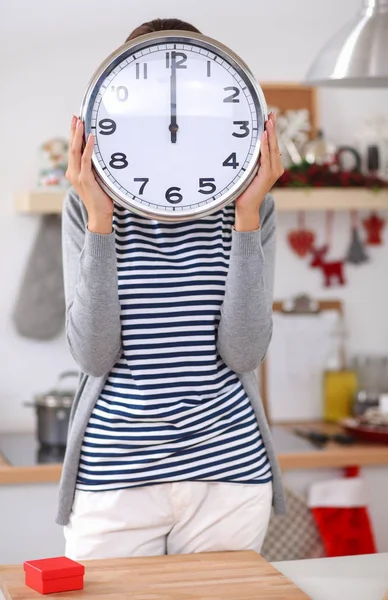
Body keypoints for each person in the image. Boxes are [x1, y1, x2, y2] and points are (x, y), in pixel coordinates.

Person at [58, 17, 286, 560]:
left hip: (230, 476)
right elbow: (93, 354)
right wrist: (99, 221)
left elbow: (245, 351)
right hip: (115, 477)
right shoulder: (86, 208)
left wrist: (248, 213)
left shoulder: (252, 207)